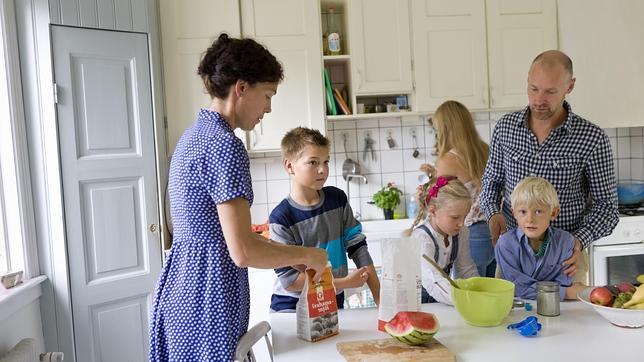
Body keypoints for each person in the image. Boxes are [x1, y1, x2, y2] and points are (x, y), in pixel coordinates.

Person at [149, 34, 328, 361]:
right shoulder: (224, 145)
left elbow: (231, 237)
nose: (269, 108)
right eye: (267, 95)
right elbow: (243, 251)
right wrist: (309, 255)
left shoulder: (192, 136)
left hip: (181, 292)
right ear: (241, 88)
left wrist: (292, 254)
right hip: (207, 300)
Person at [479, 50, 619, 276]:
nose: (539, 100)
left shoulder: (592, 138)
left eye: (550, 91)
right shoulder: (505, 128)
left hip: (565, 259)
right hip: (514, 256)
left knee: (569, 312)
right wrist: (493, 213)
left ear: (569, 87)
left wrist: (578, 241)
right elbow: (490, 183)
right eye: (533, 88)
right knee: (509, 312)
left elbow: (607, 208)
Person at [269, 127, 380, 312]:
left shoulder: (337, 200)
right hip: (292, 308)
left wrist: (379, 299)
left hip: (331, 300)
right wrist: (343, 283)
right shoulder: (281, 218)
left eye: (326, 161)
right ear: (289, 166)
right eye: (313, 162)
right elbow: (291, 282)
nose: (322, 170)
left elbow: (358, 248)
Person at [419, 100, 493, 277]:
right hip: (494, 230)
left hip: (470, 232)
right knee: (488, 293)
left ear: (444, 128)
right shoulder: (485, 150)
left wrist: (425, 192)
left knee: (468, 296)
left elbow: (443, 197)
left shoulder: (449, 160)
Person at [495, 176, 586, 300]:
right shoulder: (505, 244)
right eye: (523, 212)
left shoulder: (565, 242)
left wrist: (533, 289)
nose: (530, 219)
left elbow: (564, 283)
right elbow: (518, 289)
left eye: (538, 211)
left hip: (556, 309)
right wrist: (565, 292)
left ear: (554, 213)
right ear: (513, 213)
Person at [409, 175, 479, 305]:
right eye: (455, 217)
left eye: (464, 217)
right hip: (418, 302)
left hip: (443, 298)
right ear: (433, 211)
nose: (461, 224)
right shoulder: (422, 238)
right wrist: (465, 301)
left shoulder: (461, 232)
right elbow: (432, 280)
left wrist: (478, 291)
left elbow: (466, 269)